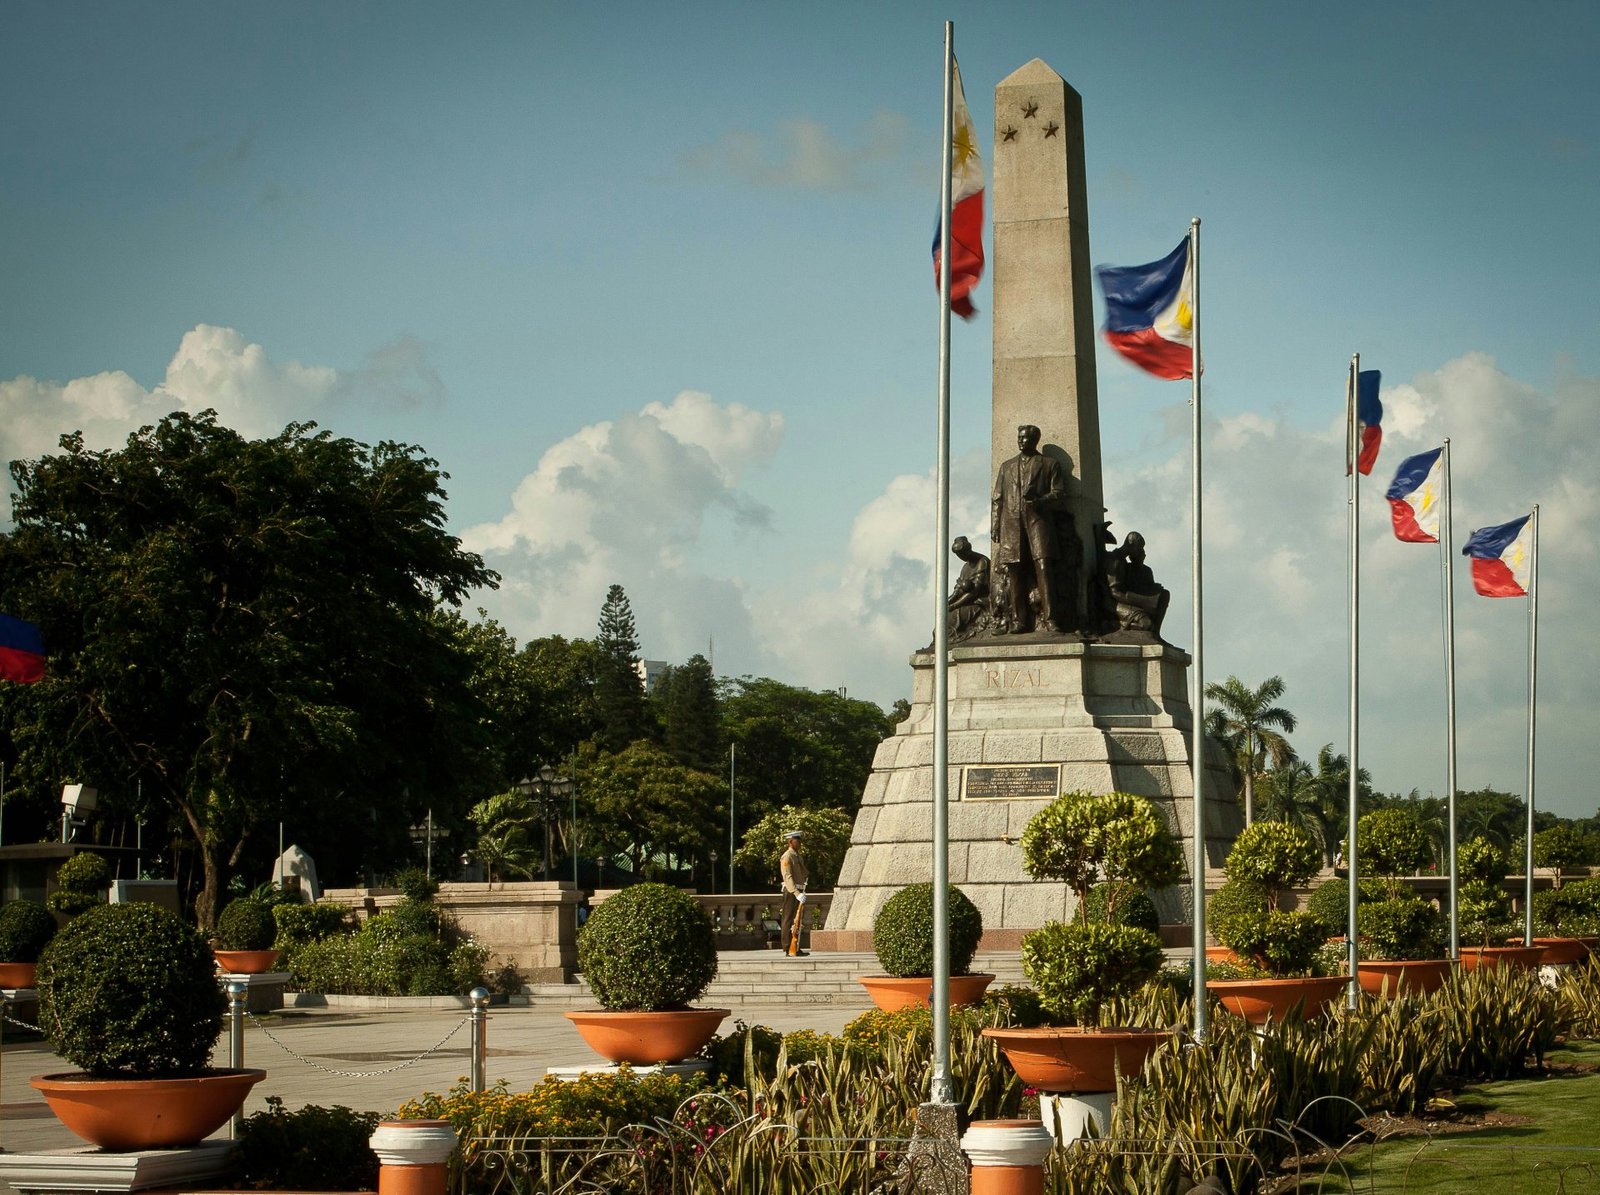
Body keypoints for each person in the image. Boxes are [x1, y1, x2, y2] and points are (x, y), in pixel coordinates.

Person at [991, 424, 1074, 635]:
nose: (1021, 441)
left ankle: (1051, 619)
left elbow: (1059, 493)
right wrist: (995, 526)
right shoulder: (1006, 466)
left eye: (1025, 438)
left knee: (1044, 569)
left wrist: (1041, 501)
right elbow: (997, 498)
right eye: (1019, 437)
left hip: (1039, 522)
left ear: (1034, 440)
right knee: (1015, 573)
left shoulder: (1049, 464)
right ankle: (1019, 620)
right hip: (1011, 525)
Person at [947, 536, 992, 639]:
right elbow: (958, 589)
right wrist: (949, 601)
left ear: (968, 550)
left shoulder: (982, 562)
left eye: (962, 554)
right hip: (965, 601)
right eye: (958, 555)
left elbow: (975, 591)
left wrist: (954, 606)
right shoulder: (965, 567)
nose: (960, 557)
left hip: (979, 602)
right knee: (944, 622)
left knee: (953, 620)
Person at [779, 830, 809, 957]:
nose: (800, 843)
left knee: (797, 921)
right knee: (788, 919)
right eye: (797, 840)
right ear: (791, 842)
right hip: (791, 891)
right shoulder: (787, 856)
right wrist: (797, 893)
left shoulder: (797, 856)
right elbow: (788, 876)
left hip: (798, 890)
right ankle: (787, 947)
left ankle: (795, 946)